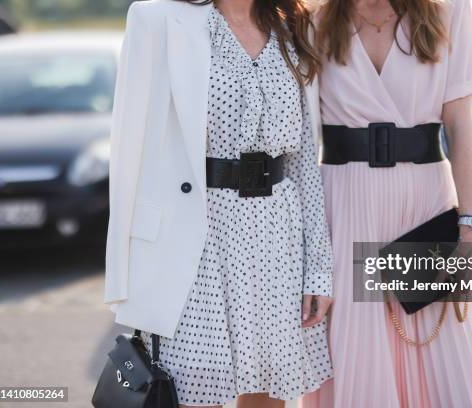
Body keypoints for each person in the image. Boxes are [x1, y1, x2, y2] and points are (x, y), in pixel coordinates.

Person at [104, 0, 334, 407]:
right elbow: (128, 146)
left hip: (276, 236)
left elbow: (303, 165)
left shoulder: (294, 28)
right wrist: (126, 272)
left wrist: (318, 268)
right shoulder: (157, 19)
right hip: (196, 236)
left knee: (268, 390)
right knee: (193, 389)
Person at [301, 0, 472, 407]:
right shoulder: (311, 17)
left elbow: (461, 131)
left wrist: (471, 230)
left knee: (441, 352)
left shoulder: (449, 9)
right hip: (344, 207)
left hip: (426, 206)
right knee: (356, 350)